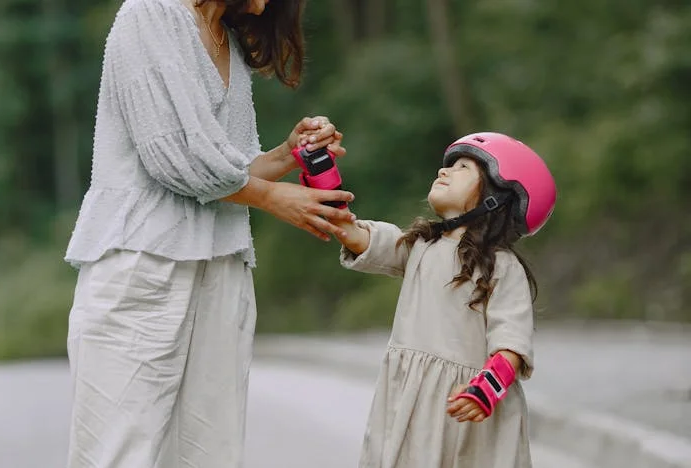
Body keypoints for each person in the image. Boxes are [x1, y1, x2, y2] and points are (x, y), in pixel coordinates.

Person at [62, 0, 356, 466]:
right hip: (144, 261)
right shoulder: (148, 14)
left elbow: (229, 169)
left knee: (211, 454)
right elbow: (172, 157)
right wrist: (273, 199)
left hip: (221, 268)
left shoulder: (226, 38)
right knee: (116, 452)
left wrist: (287, 154)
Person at [331, 132, 557, 468]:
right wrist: (327, 193)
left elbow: (511, 339)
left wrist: (487, 389)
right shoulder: (421, 246)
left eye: (463, 167)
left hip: (469, 407)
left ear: (498, 198)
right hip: (411, 400)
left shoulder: (501, 267)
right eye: (448, 165)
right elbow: (362, 237)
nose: (444, 171)